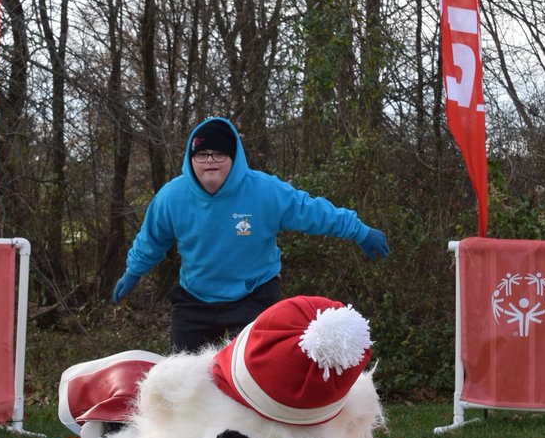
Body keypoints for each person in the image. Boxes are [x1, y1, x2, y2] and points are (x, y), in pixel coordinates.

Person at [111, 116, 390, 354]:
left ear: (233, 158)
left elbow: (311, 212)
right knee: (185, 379)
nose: (210, 161)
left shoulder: (264, 191)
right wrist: (133, 272)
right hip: (195, 297)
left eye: (219, 154)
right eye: (202, 155)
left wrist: (358, 230)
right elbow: (151, 241)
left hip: (253, 294)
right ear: (191, 159)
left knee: (251, 373)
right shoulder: (171, 197)